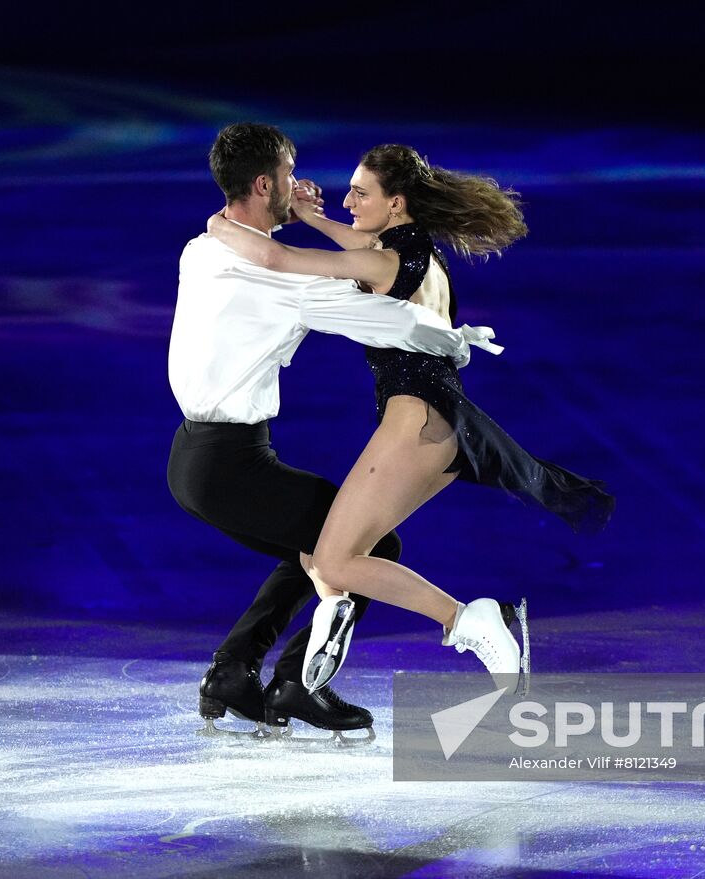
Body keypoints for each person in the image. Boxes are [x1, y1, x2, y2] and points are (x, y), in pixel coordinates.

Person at [207, 144, 615, 693]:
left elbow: (278, 261)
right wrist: (309, 215)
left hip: (415, 421)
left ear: (395, 203)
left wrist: (220, 223)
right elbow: (357, 242)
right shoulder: (415, 250)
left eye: (361, 192)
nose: (347, 199)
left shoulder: (386, 260)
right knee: (340, 555)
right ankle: (334, 615)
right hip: (433, 420)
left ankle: (468, 620)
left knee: (334, 561)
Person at [168, 125, 499, 740]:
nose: (302, 185)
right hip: (233, 466)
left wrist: (293, 221)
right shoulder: (284, 286)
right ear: (265, 183)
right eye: (290, 174)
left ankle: (235, 672)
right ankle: (295, 685)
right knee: (362, 549)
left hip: (191, 461)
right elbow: (382, 318)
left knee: (317, 550)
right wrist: (450, 339)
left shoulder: (202, 249)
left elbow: (262, 251)